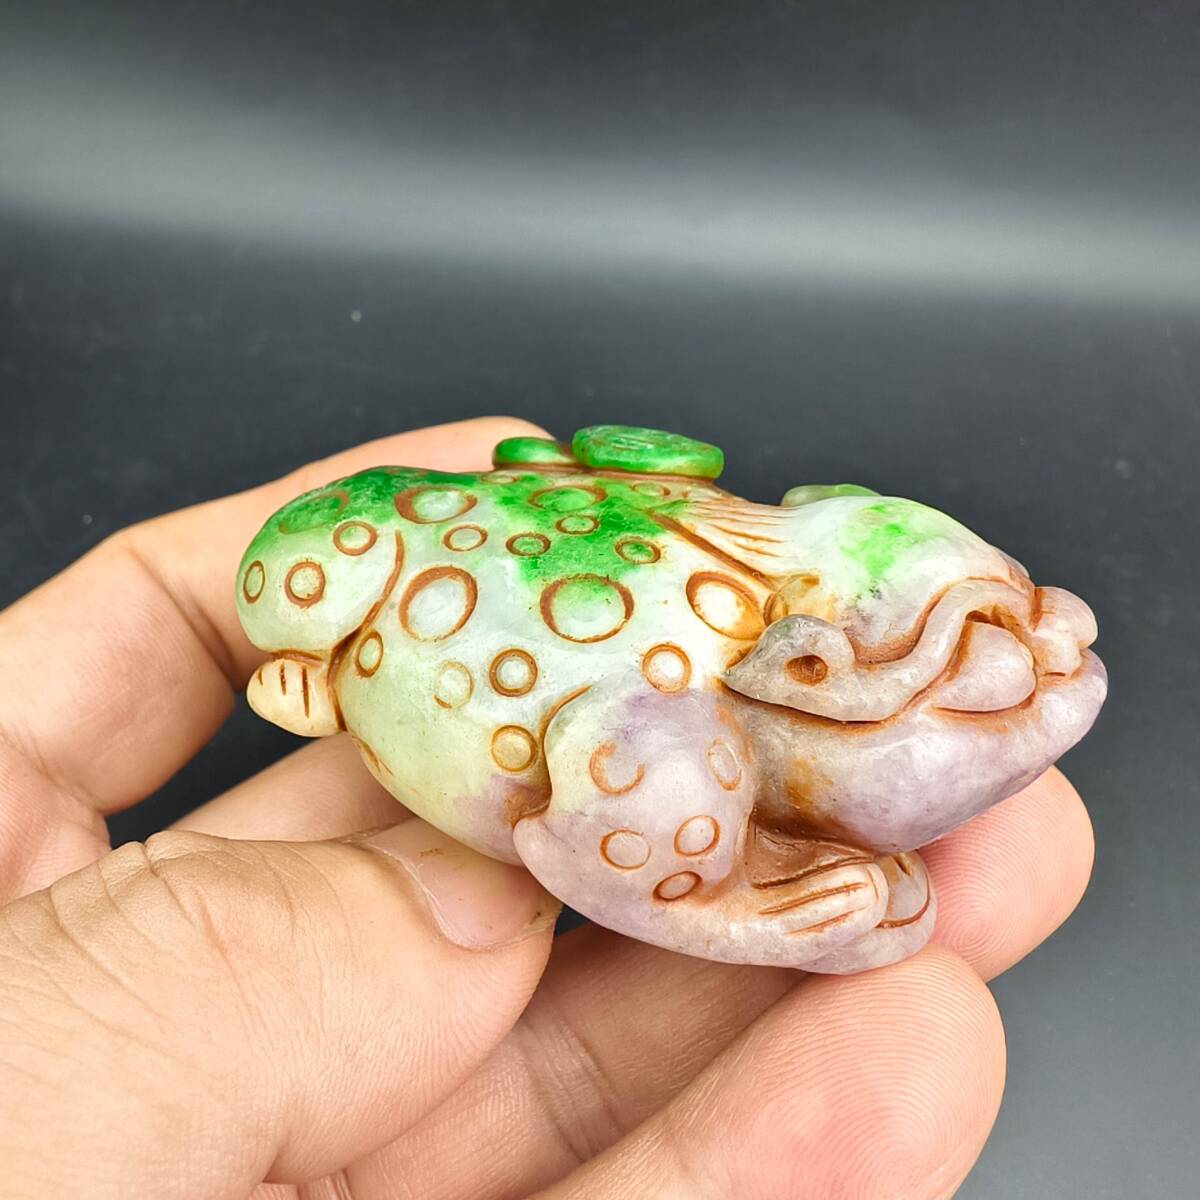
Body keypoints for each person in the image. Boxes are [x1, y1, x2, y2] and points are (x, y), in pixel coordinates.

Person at [0, 417, 1095, 1199]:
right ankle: (331, 656)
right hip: (440, 567)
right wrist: (738, 906)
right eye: (985, 659)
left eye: (1022, 631)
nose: (1052, 658)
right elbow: (596, 819)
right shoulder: (684, 743)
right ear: (809, 670)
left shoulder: (793, 687)